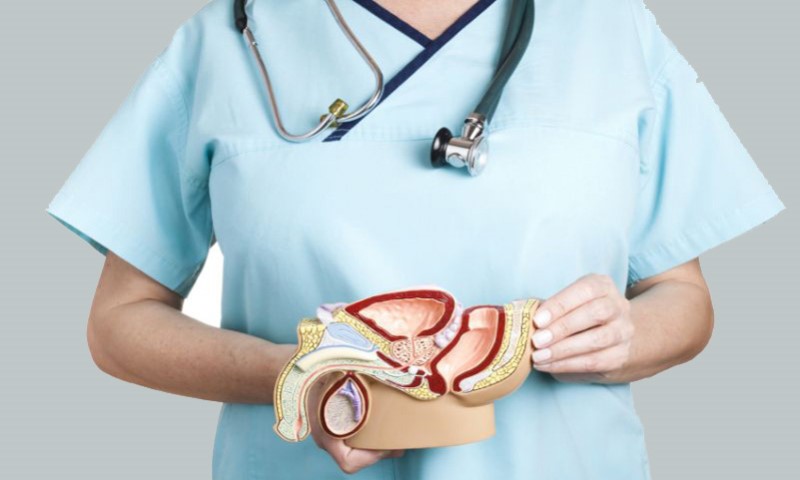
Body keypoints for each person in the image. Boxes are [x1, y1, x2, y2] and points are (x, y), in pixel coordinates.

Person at [45, 0, 786, 478]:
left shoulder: (610, 31)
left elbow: (683, 299)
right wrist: (295, 375)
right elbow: (118, 324)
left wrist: (627, 334)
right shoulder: (236, 39)